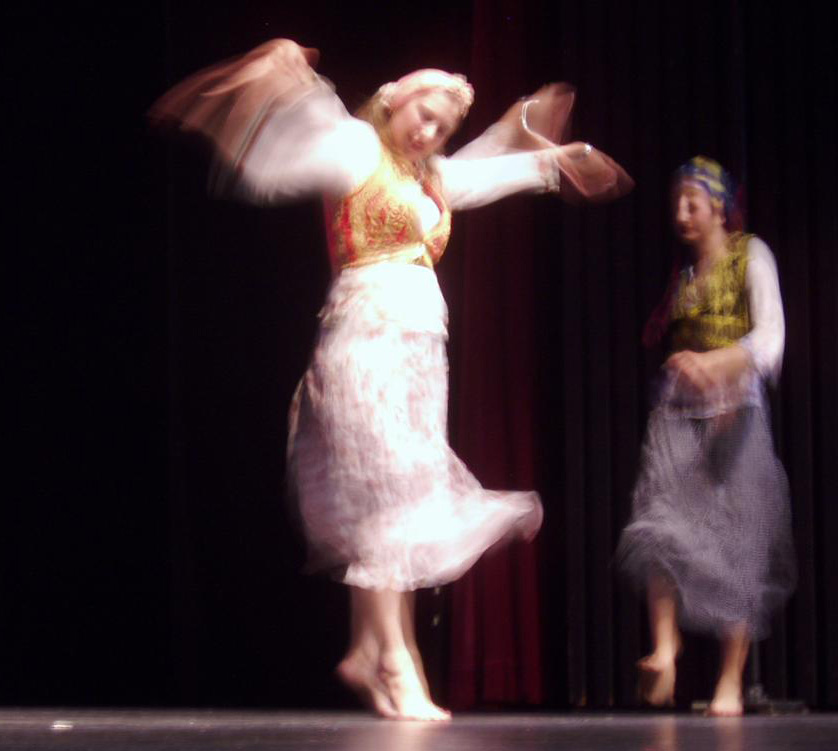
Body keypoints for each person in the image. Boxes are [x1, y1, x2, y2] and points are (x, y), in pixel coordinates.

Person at [151, 38, 631, 720]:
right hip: (364, 339)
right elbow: (308, 118)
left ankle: (365, 649)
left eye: (443, 127)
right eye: (424, 116)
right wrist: (287, 73)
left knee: (396, 495)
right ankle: (397, 663)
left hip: (419, 353)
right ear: (394, 102)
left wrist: (554, 160)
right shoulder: (357, 149)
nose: (430, 132)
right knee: (385, 497)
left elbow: (488, 174)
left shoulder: (431, 179)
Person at [617, 156, 796, 716]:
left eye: (691, 202)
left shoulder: (752, 255)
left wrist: (716, 364)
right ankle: (665, 649)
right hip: (677, 416)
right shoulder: (687, 274)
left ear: (719, 207)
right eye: (676, 202)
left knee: (738, 544)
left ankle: (729, 682)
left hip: (734, 416)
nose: (681, 213)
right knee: (660, 529)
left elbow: (770, 340)